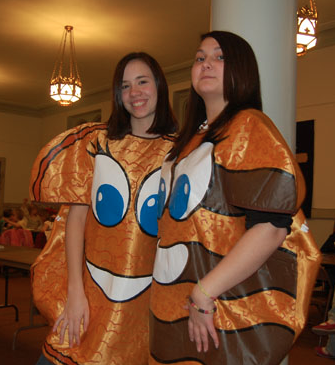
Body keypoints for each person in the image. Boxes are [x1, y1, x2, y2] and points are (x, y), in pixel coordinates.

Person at [149, 31, 321, 365]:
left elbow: (271, 227)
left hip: (219, 301)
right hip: (176, 299)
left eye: (219, 56)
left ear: (241, 69)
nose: (206, 64)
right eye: (200, 58)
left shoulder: (250, 127)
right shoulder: (191, 140)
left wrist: (203, 293)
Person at [31, 52, 178, 365]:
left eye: (142, 81)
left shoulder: (179, 151)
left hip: (146, 300)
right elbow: (76, 220)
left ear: (159, 86)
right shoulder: (96, 144)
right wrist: (74, 293)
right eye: (125, 86)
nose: (134, 92)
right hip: (90, 290)